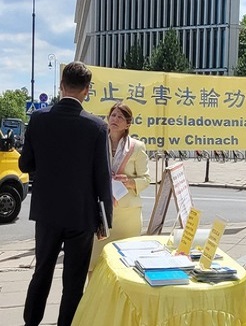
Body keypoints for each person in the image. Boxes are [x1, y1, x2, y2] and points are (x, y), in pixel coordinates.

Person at [19, 61, 113, 326]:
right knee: (73, 280)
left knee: (42, 272)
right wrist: (105, 220)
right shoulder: (96, 127)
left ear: (61, 86)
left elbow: (25, 164)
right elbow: (102, 178)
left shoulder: (38, 119)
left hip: (47, 211)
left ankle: (31, 322)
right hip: (81, 215)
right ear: (87, 90)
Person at [89, 102, 151, 272]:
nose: (115, 119)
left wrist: (129, 182)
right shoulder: (98, 142)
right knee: (95, 262)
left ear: (128, 124)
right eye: (113, 115)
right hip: (101, 210)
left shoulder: (136, 147)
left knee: (125, 264)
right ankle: (96, 297)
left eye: (120, 117)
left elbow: (146, 179)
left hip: (127, 215)